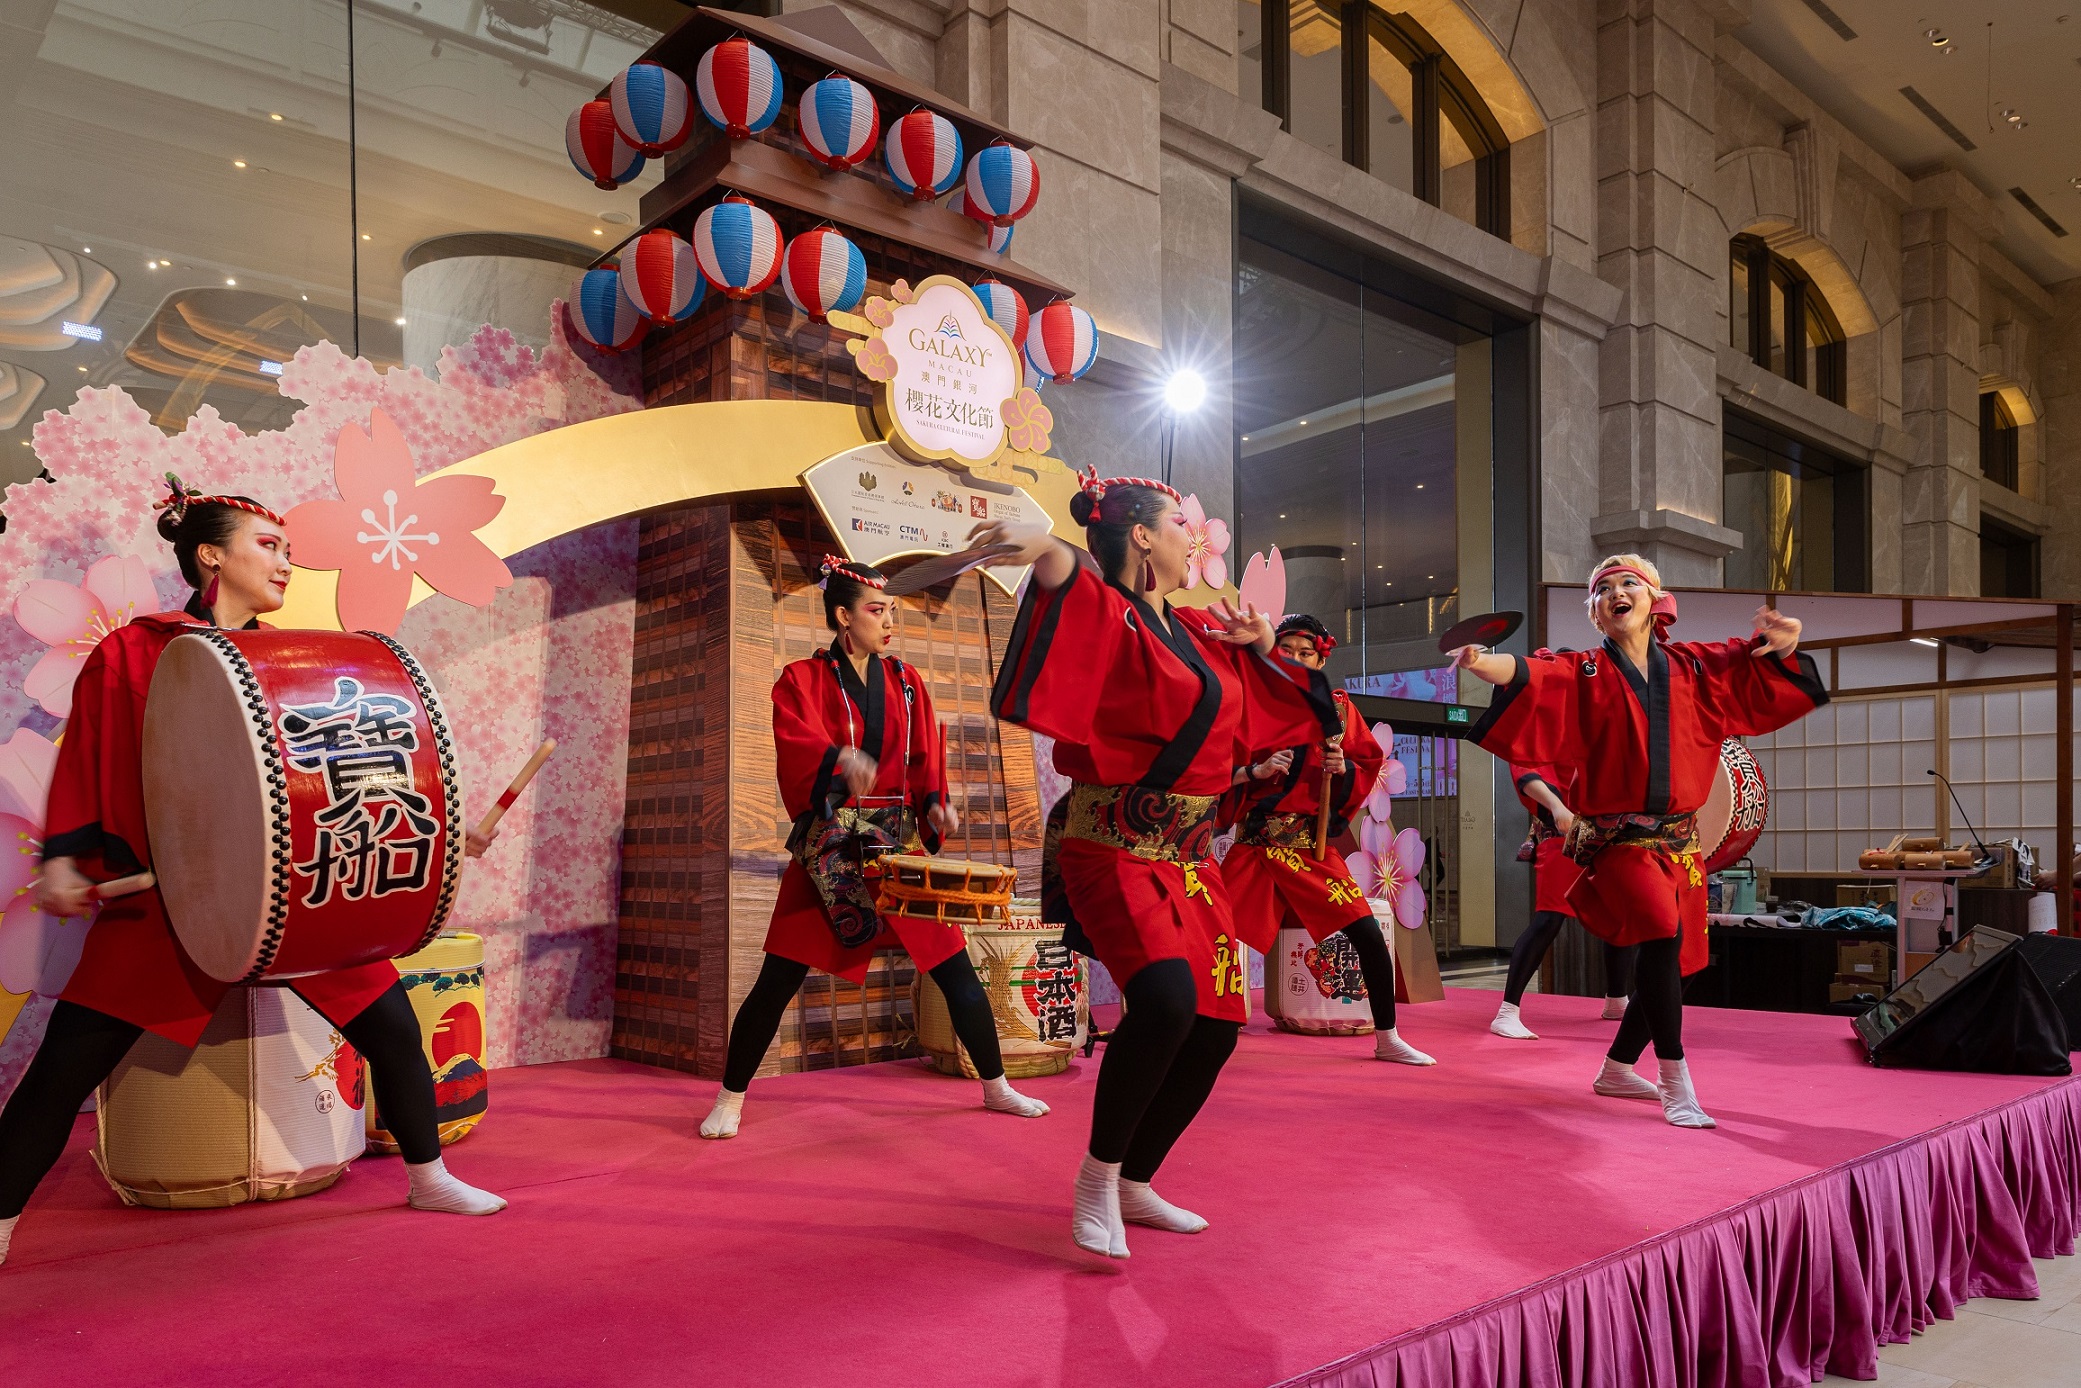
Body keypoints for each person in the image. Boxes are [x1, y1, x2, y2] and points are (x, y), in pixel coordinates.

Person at [0, 477, 505, 1270]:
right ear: (211, 557)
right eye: (269, 547)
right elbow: (89, 763)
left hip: (289, 894)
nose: (285, 565)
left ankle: (429, 1176)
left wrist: (433, 830)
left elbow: (340, 778)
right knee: (64, 1071)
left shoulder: (286, 660)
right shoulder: (136, 649)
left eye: (290, 552)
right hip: (172, 897)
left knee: (395, 1029)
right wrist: (67, 854)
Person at [977, 470, 1341, 1258]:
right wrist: (1043, 546)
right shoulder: (1109, 610)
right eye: (1180, 522)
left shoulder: (1198, 632)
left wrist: (1264, 645)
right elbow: (1063, 575)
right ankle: (1096, 1177)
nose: (1193, 536)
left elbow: (1293, 706)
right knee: (1167, 1004)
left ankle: (1137, 1180)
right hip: (1110, 845)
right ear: (1140, 535)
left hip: (1188, 859)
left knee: (1216, 1028)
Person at [1450, 554, 1824, 1128]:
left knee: (1686, 965)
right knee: (1659, 933)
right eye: (1603, 590)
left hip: (1681, 842)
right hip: (1618, 840)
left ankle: (1618, 1067)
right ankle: (1676, 1080)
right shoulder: (1584, 672)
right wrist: (1482, 662)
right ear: (1596, 615)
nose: (1615, 594)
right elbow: (1530, 674)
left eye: (1629, 584)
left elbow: (1756, 665)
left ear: (1656, 600)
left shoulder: (1694, 667)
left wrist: (1786, 643)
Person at [697, 556, 1047, 1141]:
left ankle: (996, 1085)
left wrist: (936, 804)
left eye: (891, 612)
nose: (889, 624)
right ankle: (730, 1098)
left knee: (954, 967)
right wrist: (837, 762)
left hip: (898, 848)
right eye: (876, 611)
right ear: (842, 615)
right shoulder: (800, 680)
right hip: (832, 849)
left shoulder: (907, 684)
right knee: (777, 979)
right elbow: (797, 741)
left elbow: (926, 758)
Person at [1221, 614, 1433, 1065]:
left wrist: (1344, 771)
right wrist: (1254, 772)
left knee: (1367, 935)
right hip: (1256, 847)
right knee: (1209, 936)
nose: (1296, 660)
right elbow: (1213, 770)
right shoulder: (1248, 704)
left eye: (1306, 653)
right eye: (1286, 651)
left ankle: (1388, 1036)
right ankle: (1185, 1026)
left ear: (1321, 658)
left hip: (1308, 849)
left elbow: (1366, 764)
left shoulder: (1336, 710)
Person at [1491, 759, 1638, 1039]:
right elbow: (1526, 772)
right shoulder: (1547, 722)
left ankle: (1617, 1000)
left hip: (1608, 831)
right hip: (1564, 830)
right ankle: (1507, 1011)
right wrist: (1556, 806)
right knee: (1549, 918)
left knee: (1618, 914)